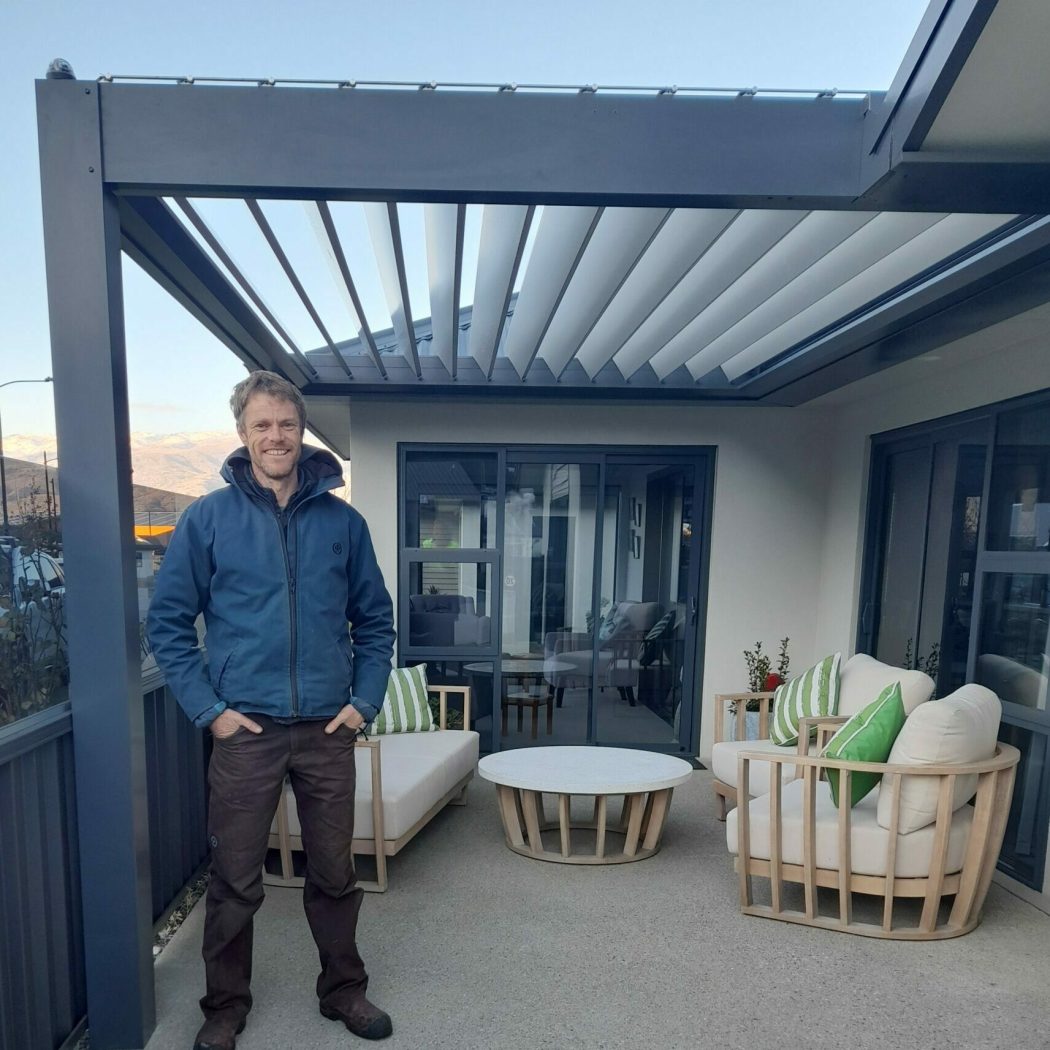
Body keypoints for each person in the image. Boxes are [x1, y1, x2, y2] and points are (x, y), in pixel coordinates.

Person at [148, 371, 395, 1050]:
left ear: (301, 430)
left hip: (325, 730)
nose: (276, 436)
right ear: (243, 434)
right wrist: (211, 711)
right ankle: (224, 1008)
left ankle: (343, 991)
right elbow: (168, 623)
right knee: (233, 878)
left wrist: (363, 702)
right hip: (245, 733)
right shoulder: (207, 519)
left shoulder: (344, 524)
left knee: (335, 871)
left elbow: (375, 622)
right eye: (262, 425)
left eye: (286, 424)